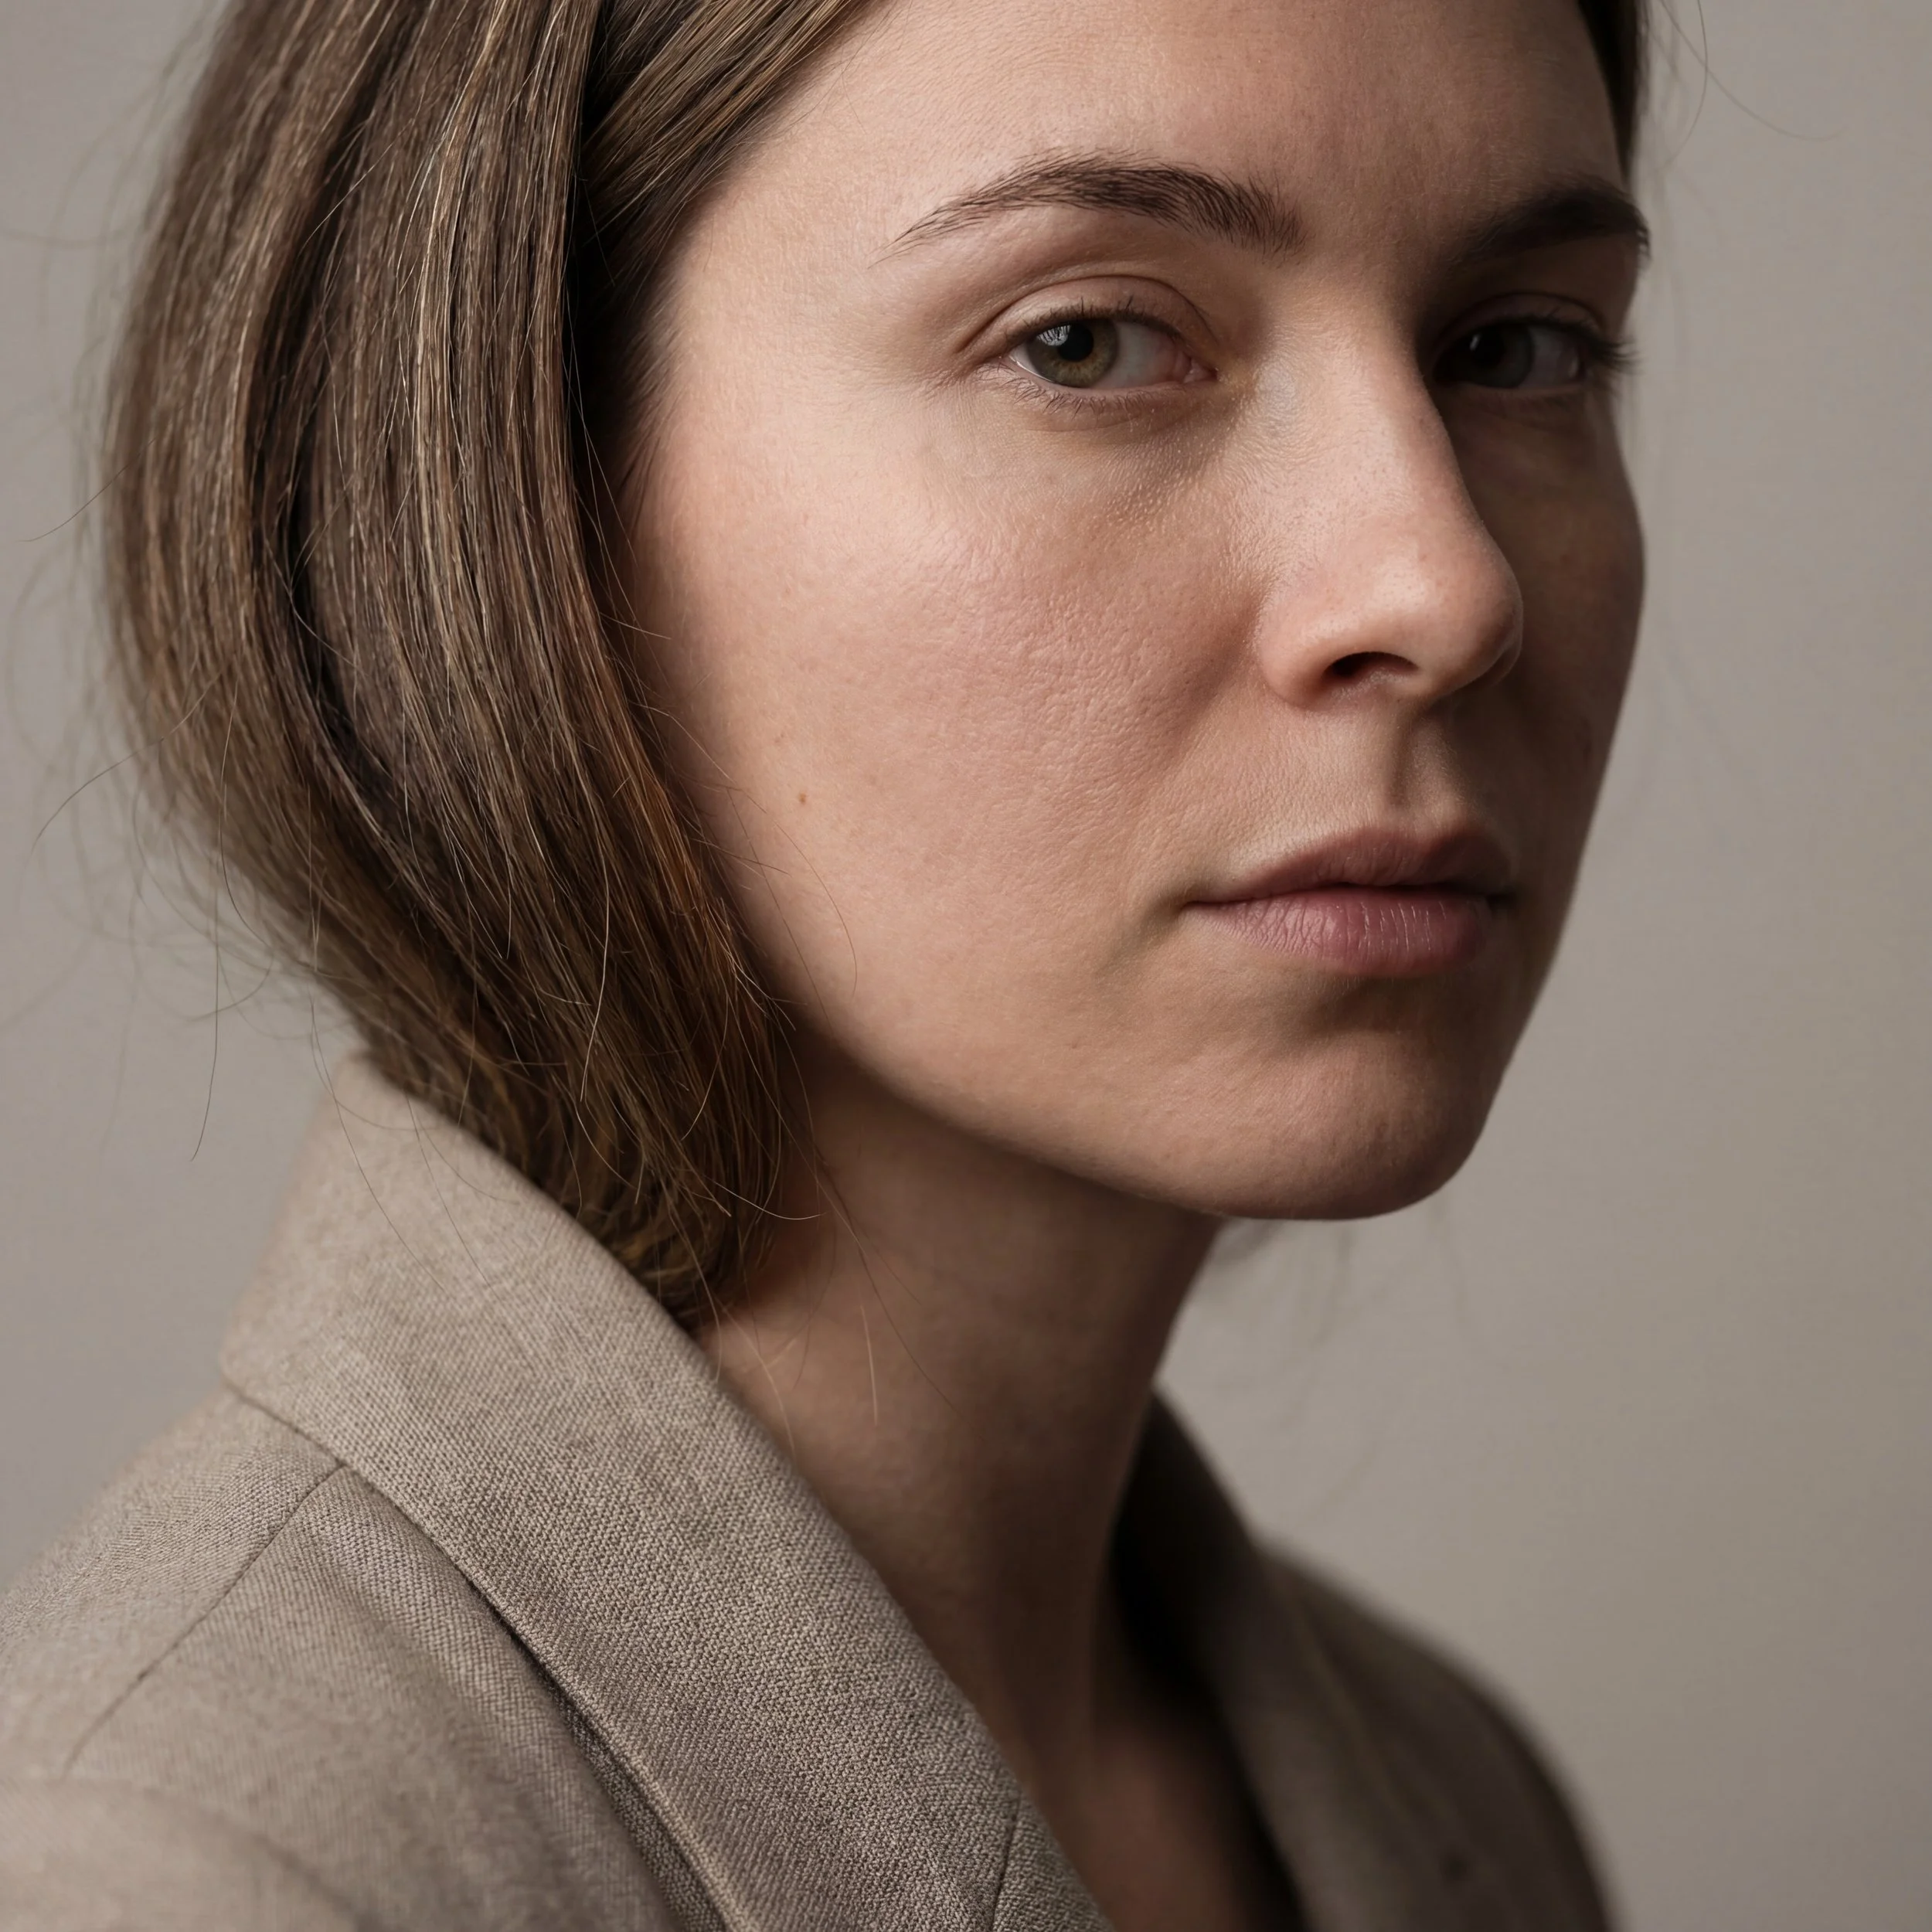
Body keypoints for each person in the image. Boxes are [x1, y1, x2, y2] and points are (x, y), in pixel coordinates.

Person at [0, 0, 1649, 1924]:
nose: (1443, 586)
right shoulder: (192, 1872)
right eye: (1085, 341)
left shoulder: (1458, 1802)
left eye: (1516, 346)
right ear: (511, 477)